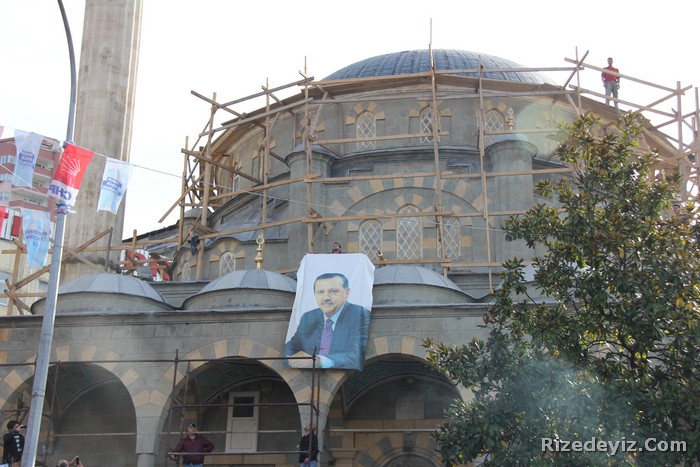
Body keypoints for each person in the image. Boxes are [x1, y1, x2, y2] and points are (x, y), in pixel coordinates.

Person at [285, 272, 370, 369]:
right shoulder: (308, 317)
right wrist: (290, 359)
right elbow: (292, 346)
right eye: (320, 292)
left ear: (346, 293)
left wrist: (319, 361)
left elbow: (358, 354)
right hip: (307, 375)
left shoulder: (361, 315)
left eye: (333, 291)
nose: (326, 298)